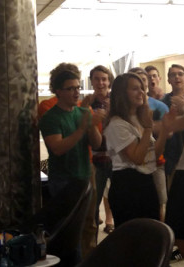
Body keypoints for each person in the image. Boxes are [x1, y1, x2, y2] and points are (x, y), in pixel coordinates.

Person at [39, 63, 102, 263]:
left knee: (90, 224)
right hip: (64, 180)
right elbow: (57, 148)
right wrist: (82, 129)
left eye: (78, 87)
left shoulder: (83, 112)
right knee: (68, 228)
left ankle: (88, 261)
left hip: (86, 173)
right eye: (71, 88)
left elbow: (97, 143)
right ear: (58, 91)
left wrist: (90, 124)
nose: (76, 92)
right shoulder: (50, 117)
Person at [103, 73, 168, 228]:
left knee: (150, 235)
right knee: (133, 240)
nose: (141, 93)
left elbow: (153, 155)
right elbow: (137, 158)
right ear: (122, 93)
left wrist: (165, 130)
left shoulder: (140, 118)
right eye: (135, 89)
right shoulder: (117, 124)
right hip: (127, 184)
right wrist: (148, 128)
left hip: (146, 181)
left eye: (142, 88)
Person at [128, 67, 169, 221]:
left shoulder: (158, 106)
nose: (140, 87)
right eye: (135, 84)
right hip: (133, 166)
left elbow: (168, 130)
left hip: (156, 162)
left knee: (159, 203)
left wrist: (154, 126)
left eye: (142, 81)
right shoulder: (124, 112)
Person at [81, 65, 114, 234]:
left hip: (117, 159)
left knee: (119, 200)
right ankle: (91, 245)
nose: (100, 82)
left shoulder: (117, 102)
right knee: (93, 202)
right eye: (96, 79)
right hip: (95, 159)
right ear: (91, 81)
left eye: (104, 79)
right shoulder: (86, 103)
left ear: (109, 81)